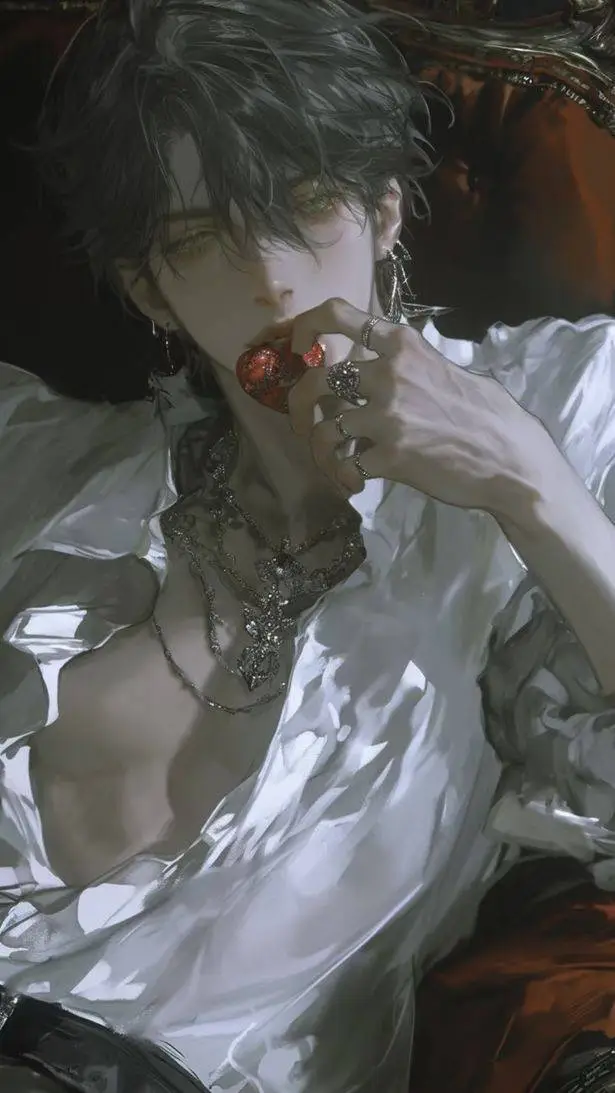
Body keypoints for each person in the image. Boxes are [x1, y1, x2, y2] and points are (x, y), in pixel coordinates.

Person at [2, 1, 615, 1090]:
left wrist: (526, 481)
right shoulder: (54, 471)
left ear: (384, 211)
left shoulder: (559, 406)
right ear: (149, 289)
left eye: (305, 206)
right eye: (201, 240)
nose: (272, 282)